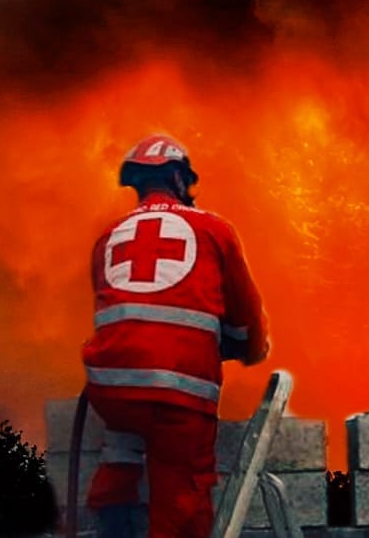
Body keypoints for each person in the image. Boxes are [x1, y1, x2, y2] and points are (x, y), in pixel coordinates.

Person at [82, 134, 270, 538]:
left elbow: (122, 314)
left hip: (111, 390)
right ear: (179, 179)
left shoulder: (107, 237)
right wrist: (250, 350)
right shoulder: (213, 230)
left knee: (122, 451)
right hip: (176, 394)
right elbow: (246, 322)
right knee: (181, 499)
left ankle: (112, 515)